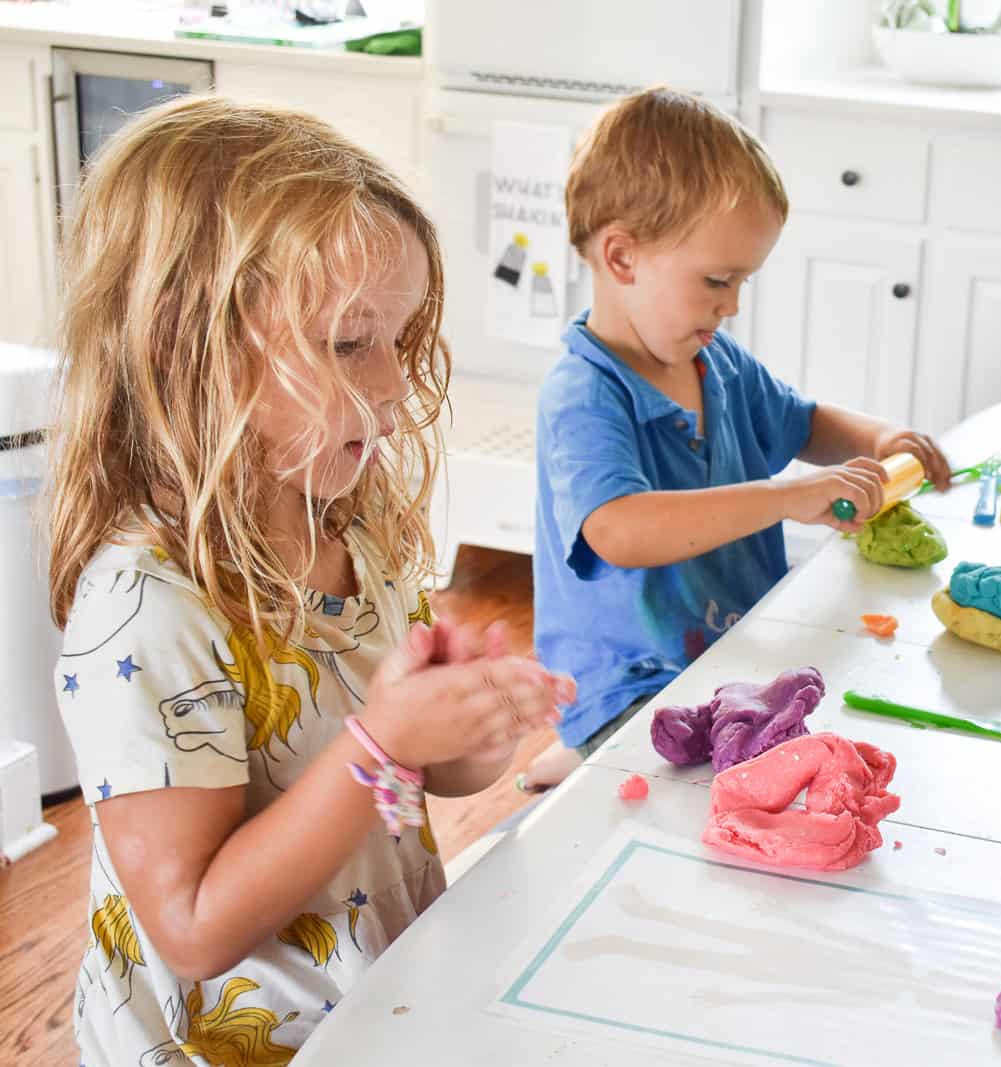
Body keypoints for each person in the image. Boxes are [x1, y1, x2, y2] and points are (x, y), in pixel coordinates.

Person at [47, 95, 559, 1063]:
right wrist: (384, 736)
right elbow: (193, 926)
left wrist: (466, 728)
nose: (396, 384)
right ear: (188, 343)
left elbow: (403, 779)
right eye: (348, 340)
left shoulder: (346, 532)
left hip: (372, 1014)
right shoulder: (145, 605)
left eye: (399, 340)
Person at [520, 87, 952, 791]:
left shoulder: (716, 361)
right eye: (718, 280)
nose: (733, 303)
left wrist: (882, 436)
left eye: (742, 280)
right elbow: (619, 530)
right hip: (635, 679)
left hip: (734, 655)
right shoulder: (583, 394)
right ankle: (584, 749)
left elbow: (806, 422)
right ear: (622, 257)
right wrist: (785, 497)